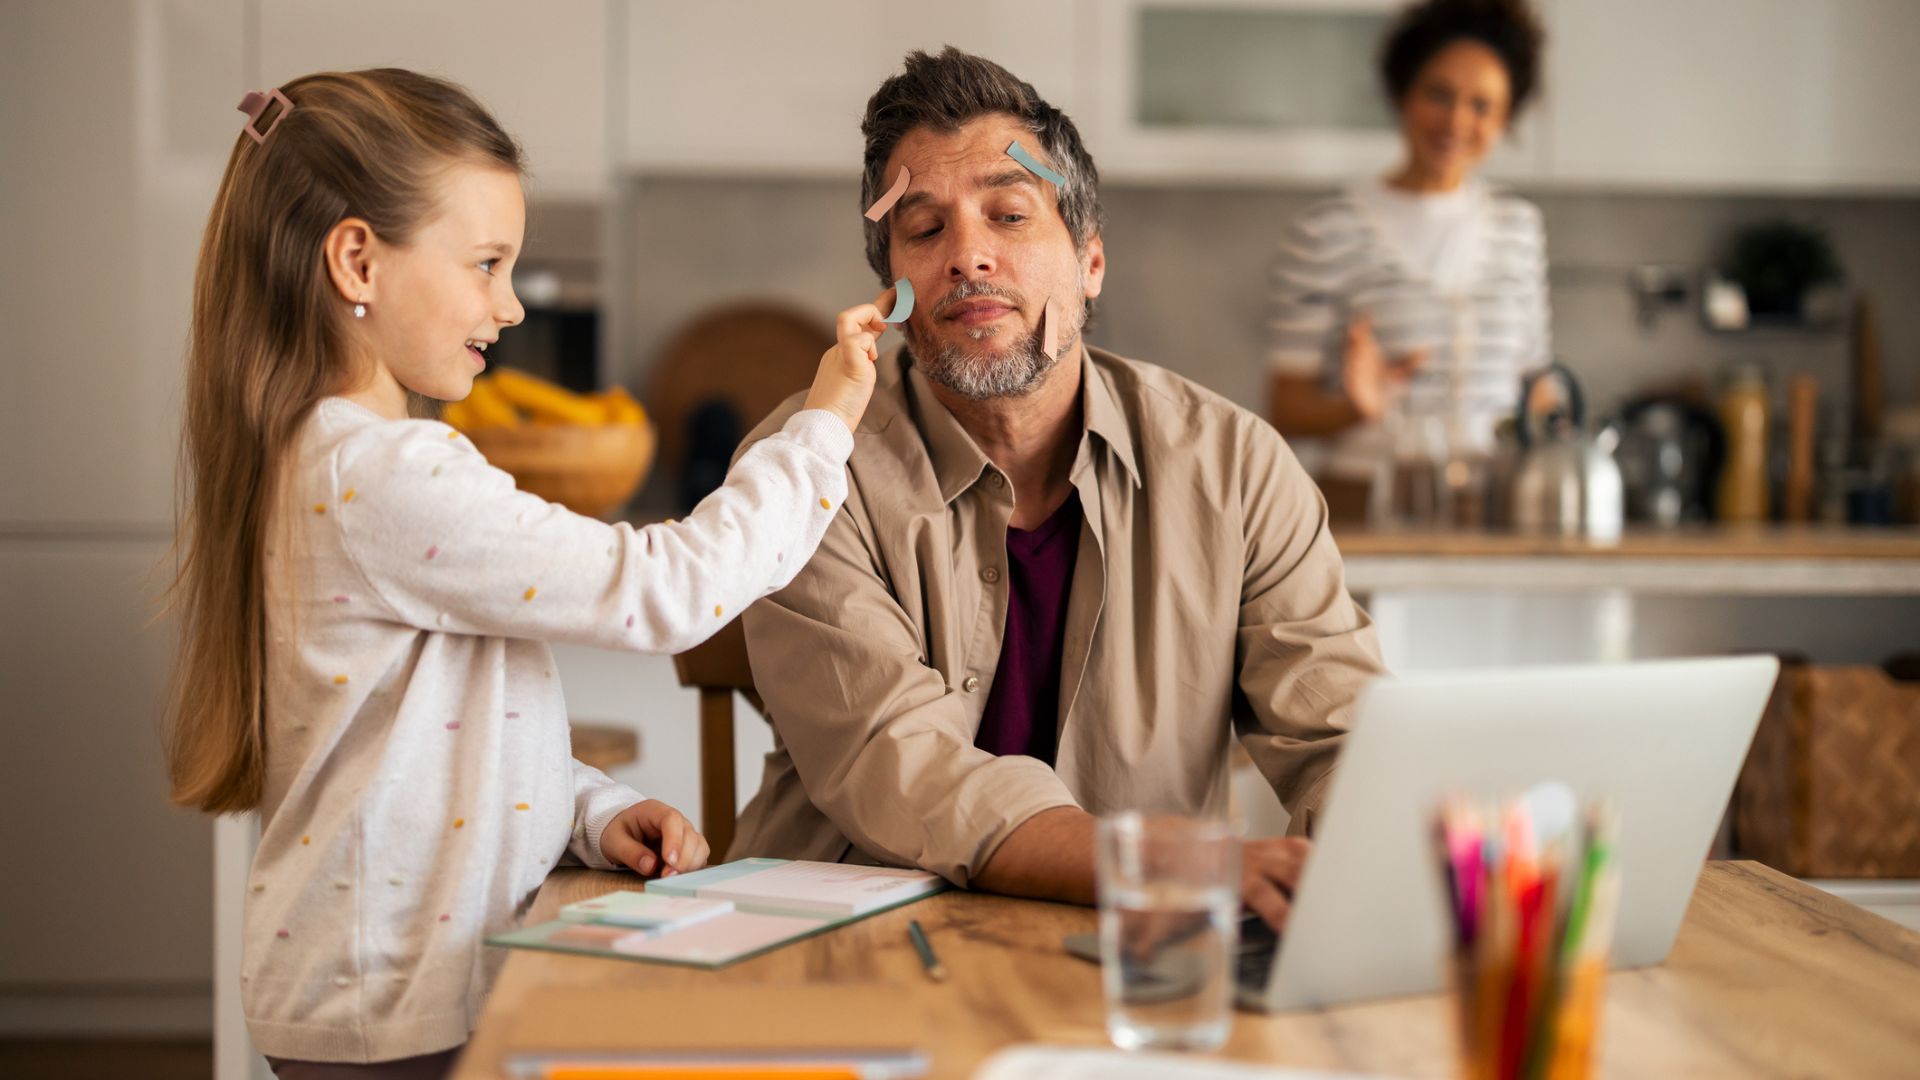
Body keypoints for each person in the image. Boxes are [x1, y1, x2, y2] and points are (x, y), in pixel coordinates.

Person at [164, 69, 884, 1078]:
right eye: (487, 264)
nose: (506, 307)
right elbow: (664, 591)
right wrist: (825, 424)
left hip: (368, 988)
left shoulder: (329, 457)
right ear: (358, 261)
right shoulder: (383, 473)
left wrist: (585, 811)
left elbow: (427, 733)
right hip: (396, 1001)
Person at [729, 48, 1387, 932]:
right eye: (924, 230)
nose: (968, 256)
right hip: (854, 952)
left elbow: (1345, 737)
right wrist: (1176, 863)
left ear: (1090, 264)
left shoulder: (1238, 470)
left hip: (1152, 959)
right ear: (890, 291)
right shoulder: (803, 470)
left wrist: (1355, 869)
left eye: (1009, 214)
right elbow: (901, 764)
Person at [1268, 0, 1551, 523]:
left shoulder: (1520, 229)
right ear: (1403, 94)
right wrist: (1358, 406)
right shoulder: (1328, 229)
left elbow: (1535, 385)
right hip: (1365, 502)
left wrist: (1560, 436)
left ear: (1507, 116)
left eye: (1482, 104)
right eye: (1438, 94)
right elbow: (1285, 406)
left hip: (1493, 508)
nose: (1457, 120)